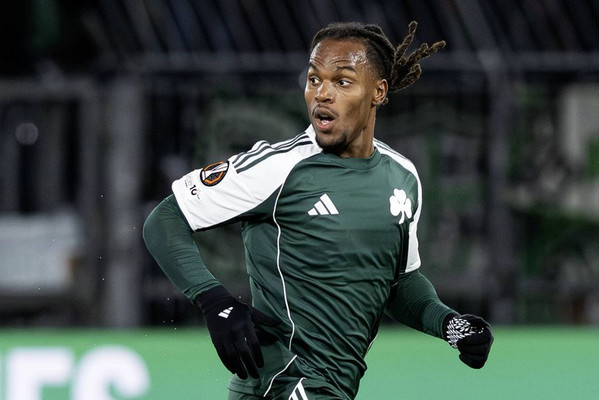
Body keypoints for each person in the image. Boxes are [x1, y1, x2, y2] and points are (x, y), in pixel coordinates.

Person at [143, 21, 493, 400]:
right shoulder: (279, 167)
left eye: (342, 81)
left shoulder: (402, 177)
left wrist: (450, 324)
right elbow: (166, 219)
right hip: (288, 382)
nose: (322, 94)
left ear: (378, 92)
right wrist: (214, 301)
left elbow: (398, 283)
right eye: (314, 80)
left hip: (328, 388)